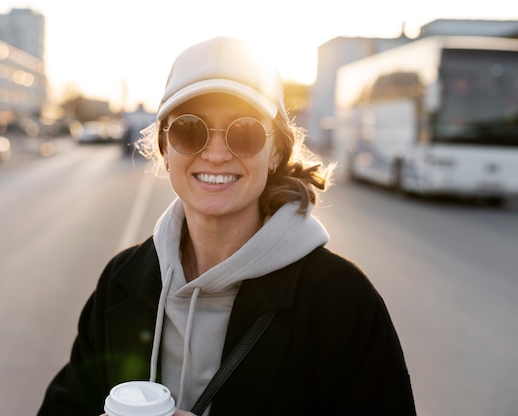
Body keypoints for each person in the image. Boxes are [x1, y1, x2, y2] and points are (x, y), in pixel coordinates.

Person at [37, 36, 416, 416]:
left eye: (245, 131)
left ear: (276, 153)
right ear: (166, 150)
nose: (216, 155)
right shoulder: (122, 281)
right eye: (189, 129)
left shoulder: (342, 302)